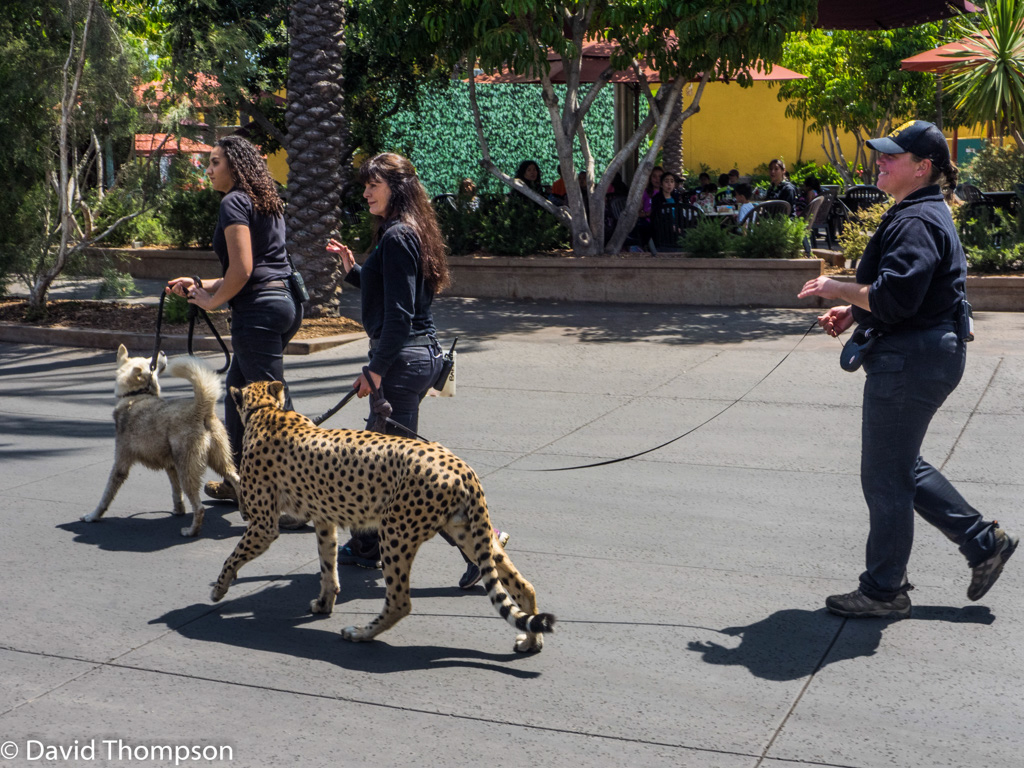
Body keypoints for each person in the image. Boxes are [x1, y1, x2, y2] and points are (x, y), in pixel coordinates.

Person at [797, 120, 1017, 619]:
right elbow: (908, 292)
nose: (880, 161)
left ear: (922, 168)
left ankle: (883, 591)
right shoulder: (920, 211)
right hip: (922, 352)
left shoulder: (918, 219)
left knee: (885, 477)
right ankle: (984, 543)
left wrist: (836, 288)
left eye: (891, 156)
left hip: (911, 359)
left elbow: (896, 297)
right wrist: (854, 310)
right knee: (900, 466)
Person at [325, 153, 506, 588]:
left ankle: (486, 547)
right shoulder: (404, 232)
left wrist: (376, 370)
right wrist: (354, 272)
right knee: (378, 465)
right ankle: (368, 548)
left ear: (397, 188)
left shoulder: (399, 235)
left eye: (374, 184)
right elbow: (393, 291)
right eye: (366, 185)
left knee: (407, 474)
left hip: (404, 360)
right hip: (413, 357)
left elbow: (401, 314)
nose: (366, 192)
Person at [166, 135, 302, 511]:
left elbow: (241, 271)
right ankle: (239, 479)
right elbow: (255, 269)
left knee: (270, 407)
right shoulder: (265, 201)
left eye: (214, 163)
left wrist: (211, 301)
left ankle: (295, 499)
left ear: (234, 167)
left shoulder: (233, 202)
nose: (208, 170)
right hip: (281, 301)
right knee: (239, 390)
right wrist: (198, 285)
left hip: (257, 311)